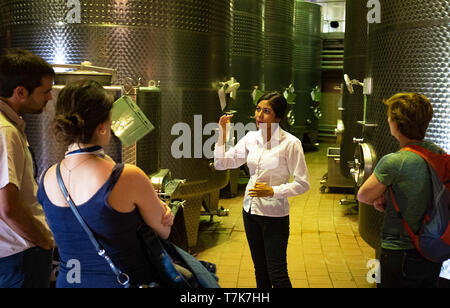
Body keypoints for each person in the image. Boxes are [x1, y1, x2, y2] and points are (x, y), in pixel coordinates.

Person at [37, 79, 174, 288]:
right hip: (122, 281)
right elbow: (164, 231)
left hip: (68, 282)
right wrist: (164, 210)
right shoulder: (127, 176)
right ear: (102, 127)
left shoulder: (46, 177)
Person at [214, 91, 310, 288]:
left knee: (278, 274)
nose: (259, 115)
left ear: (278, 116)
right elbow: (222, 163)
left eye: (266, 111)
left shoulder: (291, 144)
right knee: (260, 270)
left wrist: (273, 191)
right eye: (258, 109)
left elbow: (303, 183)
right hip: (250, 212)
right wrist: (222, 136)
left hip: (274, 216)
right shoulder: (251, 138)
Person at [357, 92, 444, 288]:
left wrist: (378, 199)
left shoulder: (395, 161)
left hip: (398, 252)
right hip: (433, 250)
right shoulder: (438, 153)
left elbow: (363, 195)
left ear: (396, 125)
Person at [0, 49, 55, 288]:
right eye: (45, 91)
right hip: (19, 255)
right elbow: (8, 207)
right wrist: (43, 241)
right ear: (20, 92)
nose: (50, 98)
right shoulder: (6, 132)